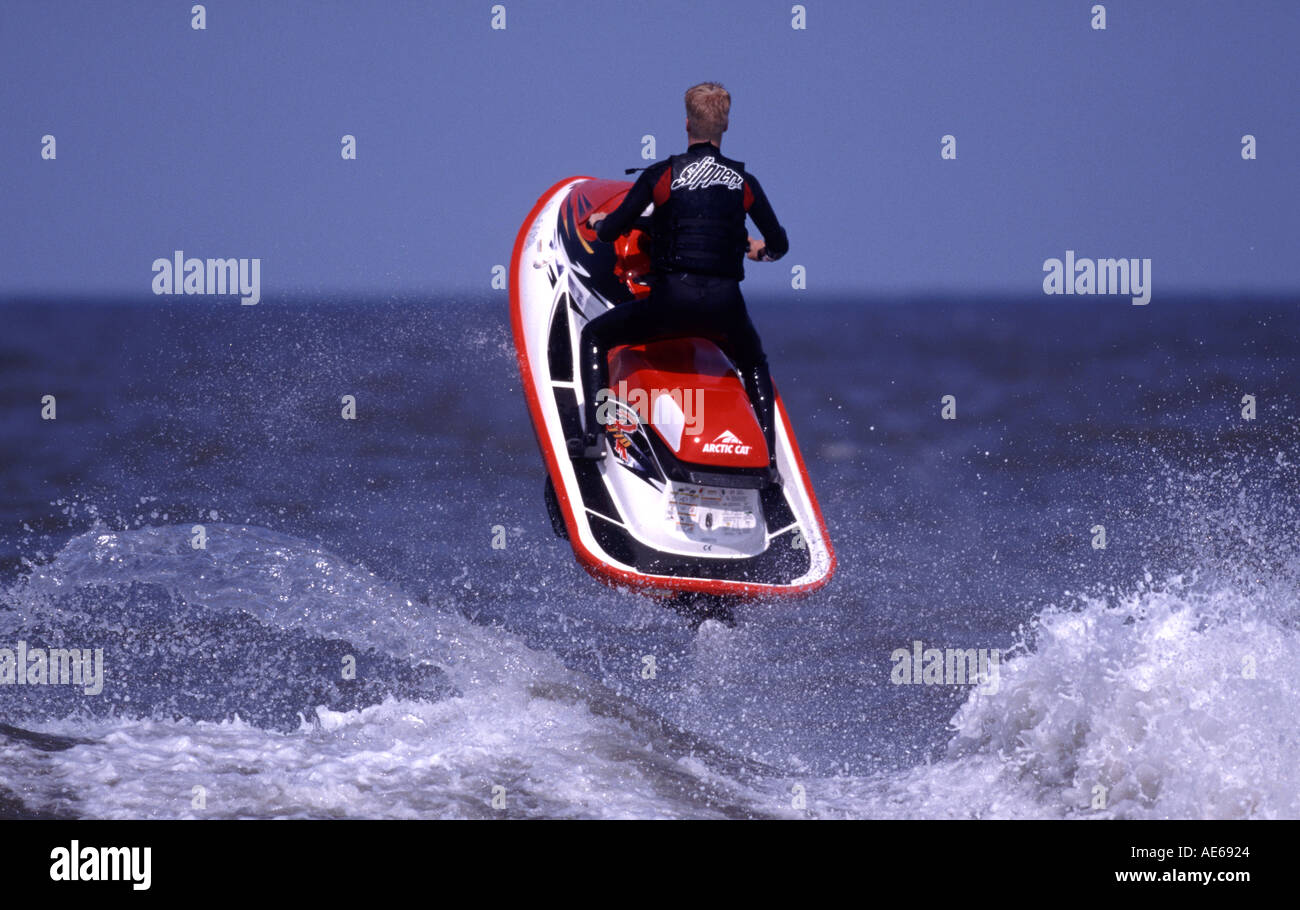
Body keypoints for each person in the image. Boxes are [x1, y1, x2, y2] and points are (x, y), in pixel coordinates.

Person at [568, 81, 789, 471]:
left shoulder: (662, 176)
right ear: (726, 126)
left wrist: (604, 223)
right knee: (754, 362)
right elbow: (778, 245)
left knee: (595, 336)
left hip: (671, 305)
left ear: (687, 124)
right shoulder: (745, 184)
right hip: (724, 311)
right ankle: (768, 462)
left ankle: (594, 437)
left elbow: (611, 230)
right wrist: (755, 250)